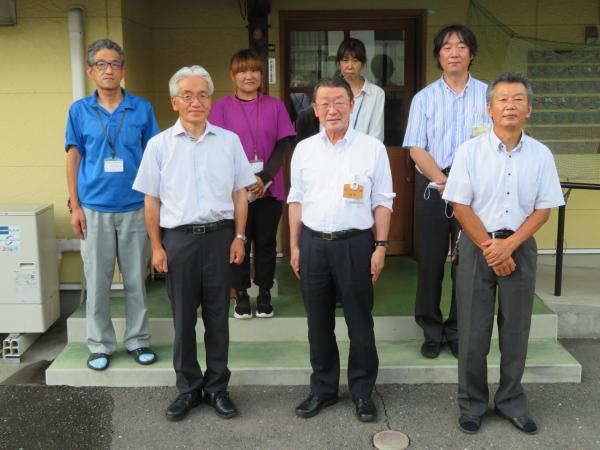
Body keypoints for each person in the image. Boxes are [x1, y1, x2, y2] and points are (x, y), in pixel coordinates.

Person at [443, 72, 564, 434]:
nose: (510, 105)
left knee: (516, 331)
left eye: (517, 99)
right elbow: (460, 205)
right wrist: (491, 248)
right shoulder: (469, 151)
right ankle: (472, 404)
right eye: (502, 99)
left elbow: (543, 209)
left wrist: (509, 246)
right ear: (489, 109)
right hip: (478, 246)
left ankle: (511, 401)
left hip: (520, 247)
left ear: (529, 108)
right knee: (473, 331)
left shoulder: (541, 154)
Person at [132, 65, 256, 421]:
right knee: (183, 320)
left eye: (202, 94)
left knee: (219, 319)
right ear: (175, 102)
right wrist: (157, 247)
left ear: (211, 100)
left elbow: (240, 193)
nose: (195, 102)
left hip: (221, 239)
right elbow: (151, 201)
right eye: (187, 95)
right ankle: (188, 388)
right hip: (179, 242)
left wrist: (239, 236)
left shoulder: (229, 141)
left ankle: (217, 388)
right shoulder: (158, 145)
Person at [288, 77, 395, 422]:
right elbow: (296, 199)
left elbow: (382, 202)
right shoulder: (304, 149)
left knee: (359, 323)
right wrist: (294, 244)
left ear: (351, 106)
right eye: (324, 103)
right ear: (315, 110)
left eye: (339, 102)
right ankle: (323, 388)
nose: (332, 109)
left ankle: (363, 392)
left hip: (356, 245)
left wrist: (380, 247)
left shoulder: (371, 148)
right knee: (317, 323)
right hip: (314, 244)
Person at [65, 38, 159, 371]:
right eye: (102, 64)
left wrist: (155, 206)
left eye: (115, 63)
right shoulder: (79, 110)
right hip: (94, 208)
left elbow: (153, 158)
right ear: (91, 71)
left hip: (135, 207)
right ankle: (100, 344)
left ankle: (137, 340)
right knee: (98, 280)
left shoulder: (142, 108)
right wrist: (75, 206)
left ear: (123, 70)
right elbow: (74, 156)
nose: (109, 70)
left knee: (136, 279)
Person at [402, 24, 490, 359]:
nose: (454, 52)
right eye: (447, 47)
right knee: (430, 261)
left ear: (471, 54)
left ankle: (456, 329)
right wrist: (443, 181)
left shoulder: (488, 96)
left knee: (467, 262)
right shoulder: (424, 98)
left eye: (461, 46)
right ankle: (431, 328)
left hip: (476, 188)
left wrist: (461, 185)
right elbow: (415, 147)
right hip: (434, 186)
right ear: (438, 55)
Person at [209, 49, 295, 319]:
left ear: (262, 75)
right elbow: (218, 148)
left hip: (269, 188)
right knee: (238, 242)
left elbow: (283, 145)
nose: (249, 75)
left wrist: (265, 178)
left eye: (254, 70)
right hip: (235, 190)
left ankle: (265, 293)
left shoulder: (275, 105)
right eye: (242, 70)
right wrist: (244, 181)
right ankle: (242, 295)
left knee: (267, 244)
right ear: (232, 76)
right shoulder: (221, 107)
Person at [337, 37, 385, 142]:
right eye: (345, 60)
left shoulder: (377, 93)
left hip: (365, 154)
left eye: (355, 61)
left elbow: (377, 134)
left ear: (363, 64)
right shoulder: (331, 92)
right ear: (339, 64)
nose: (350, 66)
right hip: (335, 152)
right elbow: (324, 130)